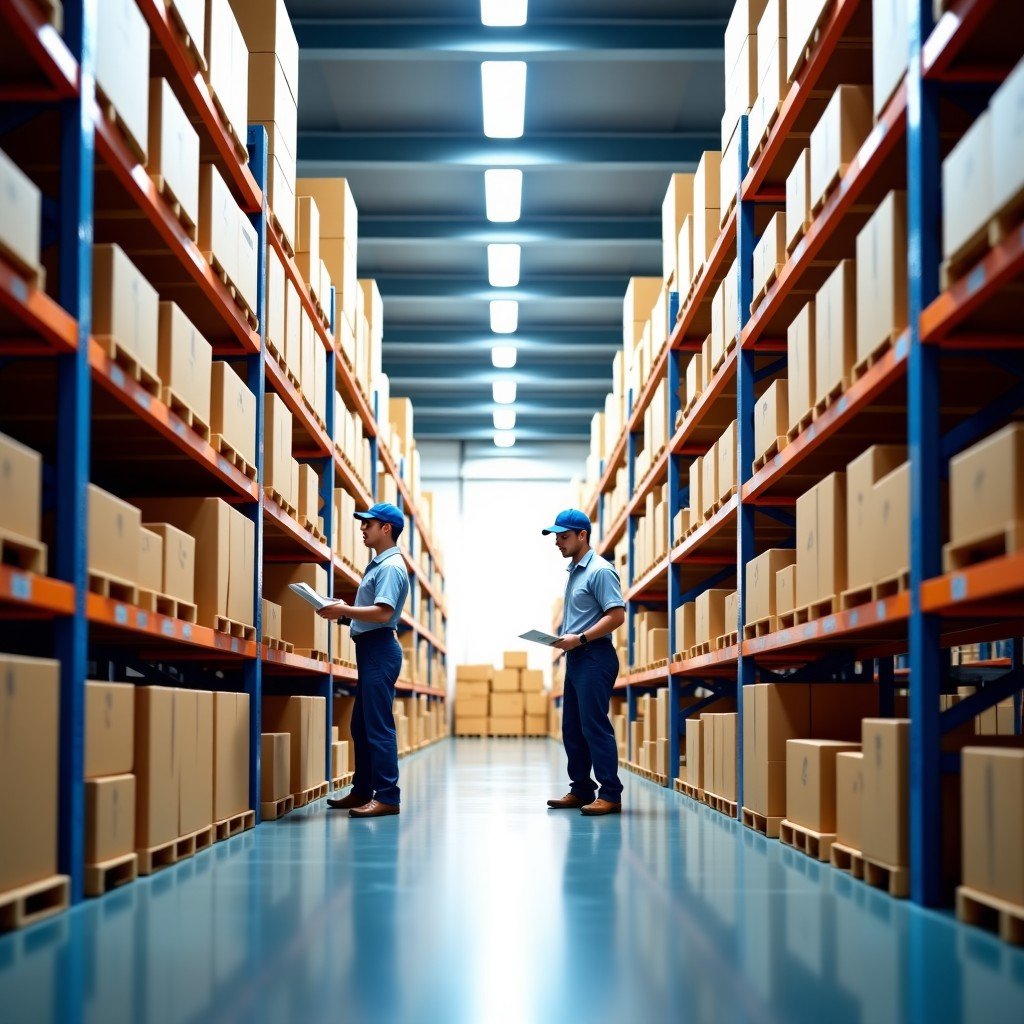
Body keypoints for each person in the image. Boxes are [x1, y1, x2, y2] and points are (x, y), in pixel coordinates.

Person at [320, 502, 410, 818]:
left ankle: (387, 797)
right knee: (361, 725)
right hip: (371, 647)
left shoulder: (390, 567)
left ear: (386, 528)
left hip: (379, 650)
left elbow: (384, 612)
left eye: (368, 524)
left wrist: (344, 609)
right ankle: (362, 791)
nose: (362, 528)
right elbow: (371, 614)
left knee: (378, 727)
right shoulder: (378, 564)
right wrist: (342, 614)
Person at [543, 509, 626, 816]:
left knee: (594, 726)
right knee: (573, 728)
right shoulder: (575, 571)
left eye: (563, 537)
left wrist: (579, 638)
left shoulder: (600, 571)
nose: (557, 543)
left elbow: (616, 616)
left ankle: (610, 794)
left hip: (595, 656)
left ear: (582, 536)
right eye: (556, 537)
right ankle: (581, 789)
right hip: (577, 657)